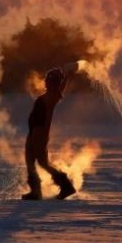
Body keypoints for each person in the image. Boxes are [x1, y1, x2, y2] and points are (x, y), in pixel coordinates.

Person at [21, 62, 79, 200]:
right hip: (34, 132)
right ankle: (55, 188)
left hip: (39, 134)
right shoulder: (49, 95)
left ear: (54, 83)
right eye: (46, 79)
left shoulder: (53, 95)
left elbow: (61, 87)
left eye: (49, 80)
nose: (46, 82)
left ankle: (56, 188)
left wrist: (67, 75)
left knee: (37, 162)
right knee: (38, 162)